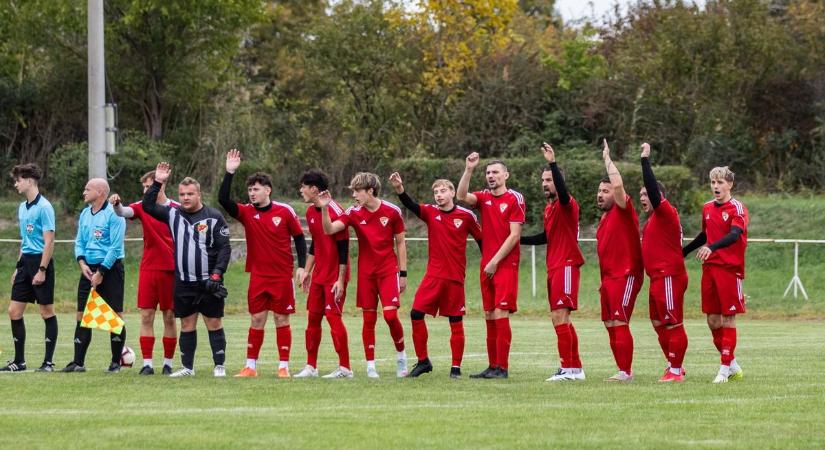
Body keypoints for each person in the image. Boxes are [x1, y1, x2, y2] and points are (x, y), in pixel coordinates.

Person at [218, 149, 307, 378]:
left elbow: (298, 238)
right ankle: (250, 366)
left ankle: (283, 367)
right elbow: (223, 200)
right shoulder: (247, 213)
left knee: (281, 319)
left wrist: (301, 266)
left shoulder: (284, 211)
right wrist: (229, 172)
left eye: (255, 189)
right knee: (257, 319)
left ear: (268, 190)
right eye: (249, 190)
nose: (251, 193)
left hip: (281, 277)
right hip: (258, 275)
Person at [389, 172, 482, 378]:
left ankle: (455, 368)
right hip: (433, 276)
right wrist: (399, 189)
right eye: (435, 192)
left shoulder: (467, 216)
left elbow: (482, 241)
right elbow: (411, 205)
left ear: (452, 192)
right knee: (415, 314)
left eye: (442, 191)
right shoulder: (430, 212)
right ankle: (423, 362)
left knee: (455, 320)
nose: (438, 195)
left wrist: (489, 264)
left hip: (455, 277)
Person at [143, 162, 231, 378]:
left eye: (190, 194)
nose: (185, 198)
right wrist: (158, 182)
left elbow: (224, 249)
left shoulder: (213, 216)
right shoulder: (172, 214)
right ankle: (188, 368)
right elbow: (147, 206)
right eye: (182, 194)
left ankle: (219, 365)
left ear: (198, 194)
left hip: (208, 281)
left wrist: (217, 274)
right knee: (187, 323)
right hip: (184, 282)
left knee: (213, 322)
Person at [318, 172, 408, 378]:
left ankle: (402, 355)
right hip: (366, 273)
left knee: (390, 315)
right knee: (369, 319)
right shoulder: (353, 212)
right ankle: (370, 366)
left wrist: (403, 273)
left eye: (357, 191)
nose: (354, 195)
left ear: (370, 191)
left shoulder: (392, 211)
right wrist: (324, 209)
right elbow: (330, 229)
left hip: (388, 271)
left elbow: (401, 242)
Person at [520, 143, 586, 381]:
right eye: (543, 180)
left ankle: (568, 369)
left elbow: (564, 191)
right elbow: (545, 237)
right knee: (561, 318)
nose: (545, 184)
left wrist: (552, 163)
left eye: (549, 180)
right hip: (555, 266)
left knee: (560, 316)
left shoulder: (567, 205)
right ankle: (575, 368)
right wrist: (516, 240)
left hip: (567, 264)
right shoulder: (549, 210)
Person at [457, 153, 525, 379]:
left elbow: (515, 236)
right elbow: (460, 195)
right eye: (488, 173)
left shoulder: (515, 198)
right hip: (488, 264)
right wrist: (469, 169)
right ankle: (492, 365)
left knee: (500, 312)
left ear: (506, 175)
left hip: (504, 264)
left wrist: (495, 261)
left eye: (495, 172)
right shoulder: (484, 197)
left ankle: (502, 368)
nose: (491, 176)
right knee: (488, 314)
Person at [683, 166, 748, 383]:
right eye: (713, 183)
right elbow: (705, 235)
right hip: (710, 269)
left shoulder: (738, 208)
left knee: (728, 318)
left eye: (720, 182)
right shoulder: (707, 208)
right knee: (712, 320)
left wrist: (713, 247)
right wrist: (683, 251)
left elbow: (734, 235)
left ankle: (723, 369)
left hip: (730, 269)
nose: (716, 186)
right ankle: (732, 364)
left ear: (730, 184)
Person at [109, 171, 178, 375]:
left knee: (169, 317)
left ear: (161, 185)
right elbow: (123, 212)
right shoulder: (142, 206)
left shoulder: (176, 209)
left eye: (150, 187)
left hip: (171, 270)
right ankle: (147, 364)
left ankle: (168, 363)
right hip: (149, 269)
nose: (147, 191)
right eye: (145, 188)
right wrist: (116, 204)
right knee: (146, 316)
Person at [62, 178, 127, 373]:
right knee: (82, 316)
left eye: (87, 189)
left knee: (114, 316)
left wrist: (101, 272)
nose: (84, 192)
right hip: (88, 269)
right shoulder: (84, 214)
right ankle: (78, 362)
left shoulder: (114, 214)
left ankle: (116, 362)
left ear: (100, 192)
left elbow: (115, 248)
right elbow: (79, 241)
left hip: (110, 269)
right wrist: (81, 262)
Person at [639, 143, 689, 383]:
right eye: (640, 195)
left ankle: (676, 370)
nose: (642, 198)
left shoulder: (665, 212)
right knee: (658, 322)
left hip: (669, 275)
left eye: (646, 194)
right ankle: (673, 362)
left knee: (672, 322)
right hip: (656, 277)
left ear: (659, 197)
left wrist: (645, 160)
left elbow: (653, 188)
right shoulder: (651, 221)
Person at [295, 170, 352, 379]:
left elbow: (344, 247)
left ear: (314, 189)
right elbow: (315, 244)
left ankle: (345, 368)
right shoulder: (310, 212)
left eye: (303, 186)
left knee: (333, 317)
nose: (300, 190)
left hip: (335, 276)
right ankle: (311, 366)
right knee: (313, 318)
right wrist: (307, 270)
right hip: (319, 275)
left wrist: (340, 279)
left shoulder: (337, 211)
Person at [3, 164, 58, 372]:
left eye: (18, 180)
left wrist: (42, 270)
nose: (16, 184)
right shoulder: (21, 207)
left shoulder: (44, 207)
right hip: (25, 263)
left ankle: (48, 363)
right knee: (14, 311)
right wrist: (18, 266)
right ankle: (19, 361)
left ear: (29, 181)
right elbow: (24, 240)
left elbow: (49, 241)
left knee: (46, 311)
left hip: (40, 262)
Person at [596, 140, 643, 382]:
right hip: (610, 278)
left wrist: (607, 159)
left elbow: (618, 184)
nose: (601, 195)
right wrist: (603, 280)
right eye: (600, 191)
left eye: (606, 191)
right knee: (609, 322)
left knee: (619, 319)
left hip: (626, 275)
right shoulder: (604, 221)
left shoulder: (624, 210)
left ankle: (626, 371)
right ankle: (621, 369)